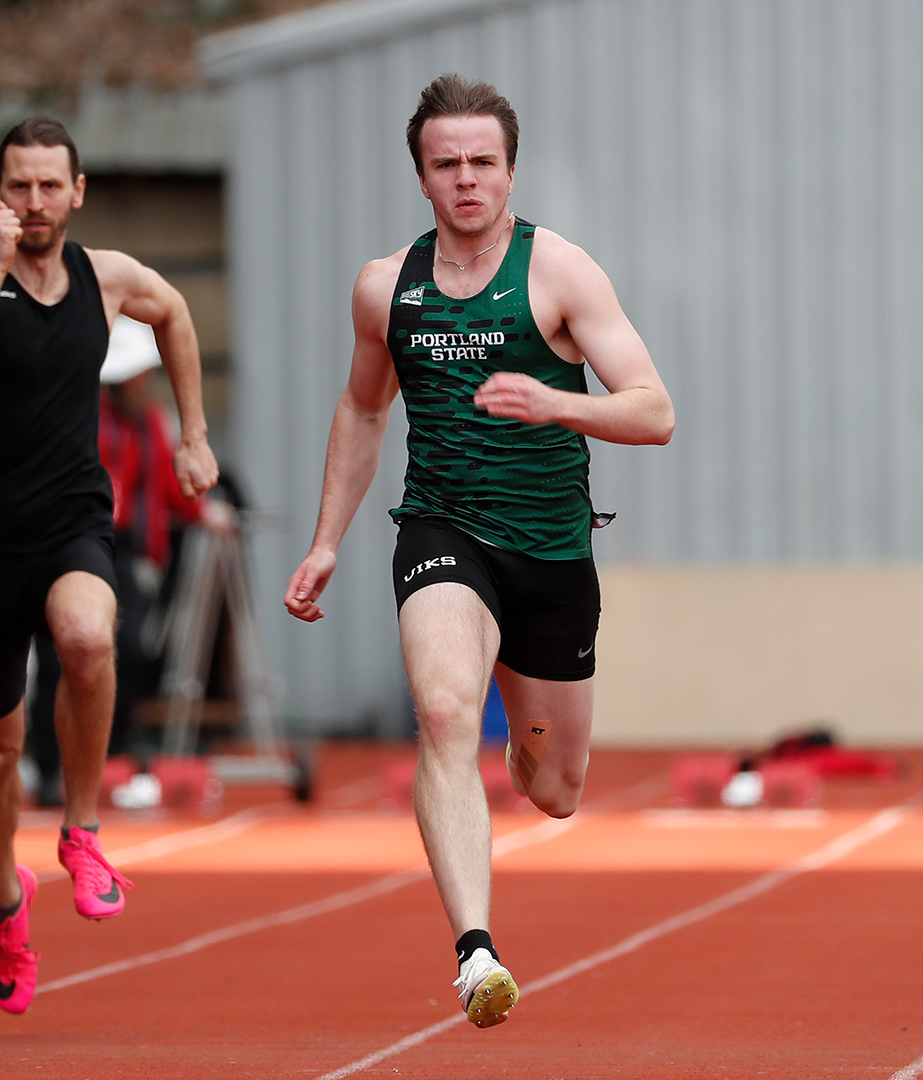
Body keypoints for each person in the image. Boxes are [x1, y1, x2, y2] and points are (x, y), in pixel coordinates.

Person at [284, 74, 674, 1028]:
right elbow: (364, 406)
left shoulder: (561, 274)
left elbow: (654, 411)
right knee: (445, 710)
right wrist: (328, 539)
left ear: (510, 171)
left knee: (555, 790)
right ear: (421, 175)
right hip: (442, 531)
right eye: (446, 163)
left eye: (482, 163)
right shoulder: (387, 287)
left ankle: (504, 734)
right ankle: (476, 953)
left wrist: (557, 401)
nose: (466, 179)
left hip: (549, 554)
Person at [0, 118, 217, 1014]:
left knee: (89, 638)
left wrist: (194, 435)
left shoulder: (108, 277)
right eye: (20, 187)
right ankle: (7, 899)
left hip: (70, 523)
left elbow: (177, 315)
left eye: (52, 187)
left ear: (77, 192)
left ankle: (83, 831)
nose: (36, 204)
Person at [28, 318, 233, 801]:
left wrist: (203, 510)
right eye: (133, 377)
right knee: (62, 659)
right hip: (69, 548)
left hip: (124, 554)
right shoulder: (77, 420)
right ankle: (51, 767)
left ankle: (110, 758)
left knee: (131, 652)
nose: (143, 384)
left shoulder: (151, 423)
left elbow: (166, 484)